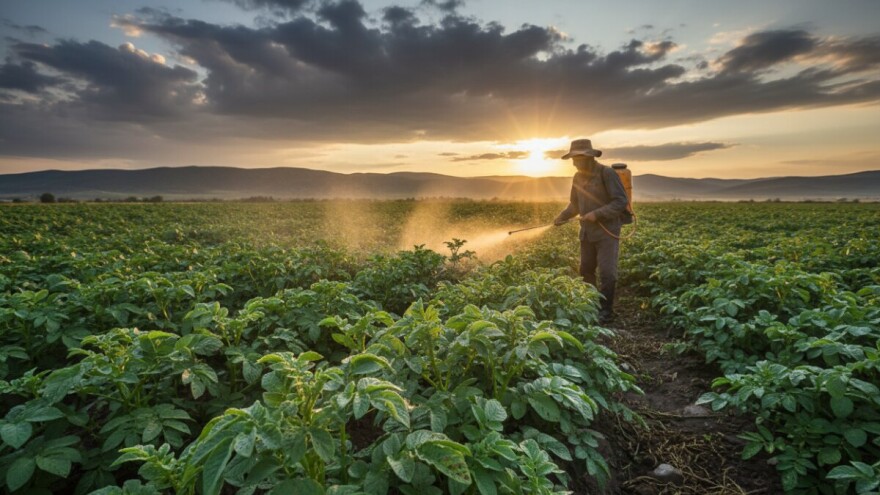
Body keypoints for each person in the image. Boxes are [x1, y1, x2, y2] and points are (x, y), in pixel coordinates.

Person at [553, 138, 628, 323]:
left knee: (607, 273)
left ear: (588, 157)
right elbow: (575, 204)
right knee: (586, 269)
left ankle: (606, 311)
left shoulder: (607, 173)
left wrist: (597, 214)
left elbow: (620, 202)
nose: (574, 163)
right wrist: (563, 216)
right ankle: (591, 305)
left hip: (606, 232)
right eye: (573, 159)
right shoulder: (578, 177)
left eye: (577, 159)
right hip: (586, 233)